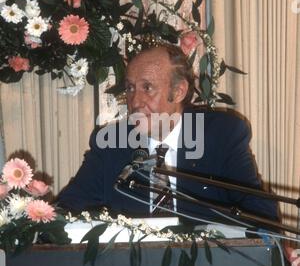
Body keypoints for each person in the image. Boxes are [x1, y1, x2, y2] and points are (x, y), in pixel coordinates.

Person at [57, 44, 279, 226]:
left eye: (148, 88)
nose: (135, 101)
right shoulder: (111, 144)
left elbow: (259, 212)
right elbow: (67, 209)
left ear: (179, 91)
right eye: (131, 88)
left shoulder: (220, 135)